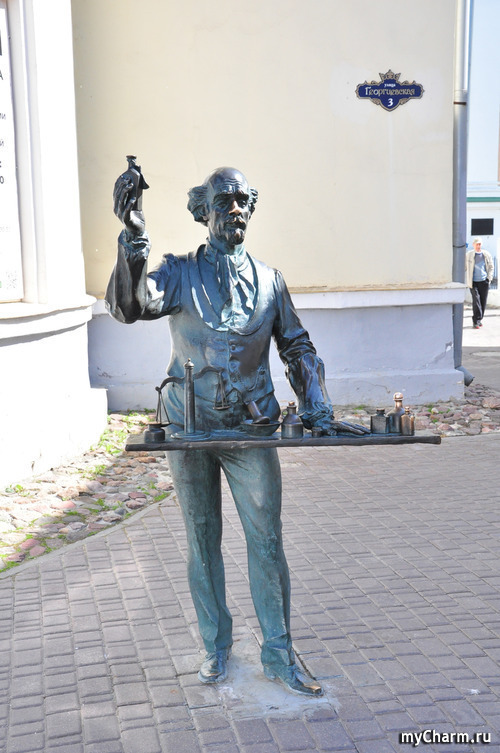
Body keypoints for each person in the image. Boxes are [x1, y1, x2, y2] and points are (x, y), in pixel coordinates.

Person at [106, 165, 367, 696]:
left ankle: (279, 652)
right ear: (202, 211)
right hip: (189, 426)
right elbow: (132, 306)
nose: (236, 209)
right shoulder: (178, 272)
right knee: (202, 540)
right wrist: (134, 237)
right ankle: (215, 645)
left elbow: (296, 345)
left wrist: (317, 409)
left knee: (266, 540)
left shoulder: (270, 280)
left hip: (252, 429)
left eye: (243, 200)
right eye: (224, 201)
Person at [466, 238, 494, 328]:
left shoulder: (486, 254)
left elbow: (491, 267)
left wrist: (488, 279)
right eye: (477, 244)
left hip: (484, 281)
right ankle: (476, 320)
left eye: (480, 244)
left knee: (483, 302)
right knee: (476, 301)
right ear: (473, 245)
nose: (478, 246)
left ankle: (479, 319)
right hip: (473, 282)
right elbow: (464, 267)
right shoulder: (469, 255)